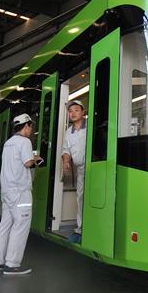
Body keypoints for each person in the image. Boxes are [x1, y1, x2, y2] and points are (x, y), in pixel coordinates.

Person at [0, 113, 42, 275]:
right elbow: (27, 163)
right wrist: (36, 159)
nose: (31, 130)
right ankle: (12, 264)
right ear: (26, 125)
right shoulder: (24, 141)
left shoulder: (8, 143)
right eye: (30, 126)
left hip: (7, 191)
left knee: (4, 226)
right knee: (20, 226)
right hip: (20, 192)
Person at [61, 100, 87, 244]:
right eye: (71, 111)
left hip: (95, 167)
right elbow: (66, 150)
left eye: (76, 110)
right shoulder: (68, 132)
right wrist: (66, 161)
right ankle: (80, 230)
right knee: (80, 198)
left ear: (83, 112)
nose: (73, 113)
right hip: (80, 170)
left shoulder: (89, 127)